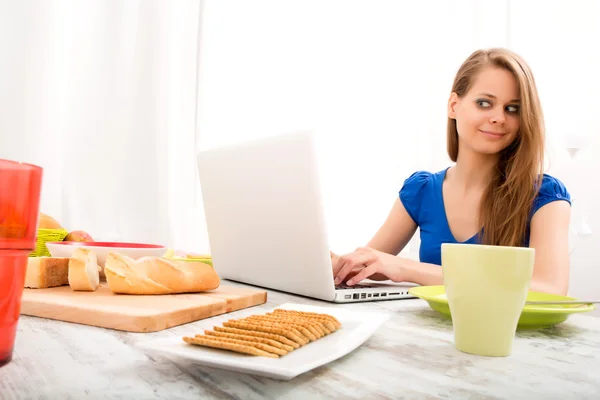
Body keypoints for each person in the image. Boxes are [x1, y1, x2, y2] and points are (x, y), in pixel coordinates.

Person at [332, 48, 572, 295]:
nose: (499, 118)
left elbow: (550, 289)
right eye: (484, 103)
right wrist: (324, 259)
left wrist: (409, 269)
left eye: (512, 109)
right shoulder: (422, 191)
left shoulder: (544, 196)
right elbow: (369, 266)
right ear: (454, 106)